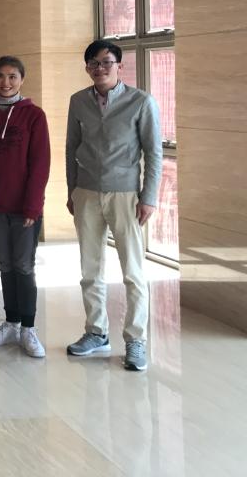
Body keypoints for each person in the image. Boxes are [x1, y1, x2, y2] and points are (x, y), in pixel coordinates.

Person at [66, 40, 161, 371]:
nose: (100, 68)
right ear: (87, 68)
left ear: (120, 65)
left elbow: (154, 152)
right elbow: (71, 148)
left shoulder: (141, 101)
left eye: (106, 62)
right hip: (86, 192)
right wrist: (72, 190)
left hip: (126, 195)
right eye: (93, 63)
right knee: (90, 269)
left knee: (133, 272)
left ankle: (136, 340)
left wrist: (148, 197)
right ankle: (96, 332)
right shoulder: (78, 101)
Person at [0, 56, 50, 358]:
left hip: (24, 208)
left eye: (12, 77)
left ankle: (28, 328)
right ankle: (11, 322)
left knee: (23, 266)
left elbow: (40, 164)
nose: (6, 83)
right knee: (5, 265)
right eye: (0, 76)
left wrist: (33, 206)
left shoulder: (34, 115)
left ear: (22, 79)